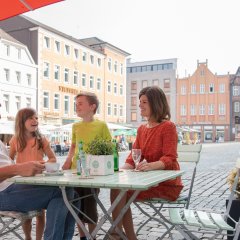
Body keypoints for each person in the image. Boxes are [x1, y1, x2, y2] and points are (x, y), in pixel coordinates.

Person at [110, 86, 183, 240]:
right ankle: (122, 235)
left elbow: (170, 159)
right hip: (145, 181)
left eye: (144, 102)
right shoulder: (142, 129)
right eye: (140, 102)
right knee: (117, 188)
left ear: (156, 104)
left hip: (166, 183)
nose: (140, 105)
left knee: (121, 192)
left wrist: (150, 166)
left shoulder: (168, 127)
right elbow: (132, 158)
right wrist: (117, 171)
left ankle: (118, 235)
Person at [0, 140, 77, 240]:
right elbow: (13, 168)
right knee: (64, 192)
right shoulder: (16, 139)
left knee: (73, 195)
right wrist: (18, 169)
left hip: (14, 184)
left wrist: (26, 168)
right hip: (4, 192)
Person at [62, 91, 112, 240]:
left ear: (92, 106)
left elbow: (109, 146)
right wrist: (67, 161)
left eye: (80, 104)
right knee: (76, 203)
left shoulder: (101, 125)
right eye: (76, 104)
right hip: (75, 171)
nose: (77, 106)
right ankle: (83, 236)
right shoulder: (76, 126)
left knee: (90, 203)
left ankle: (92, 235)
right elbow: (73, 146)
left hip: (94, 172)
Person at [9, 108, 57, 240]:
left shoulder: (41, 140)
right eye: (31, 118)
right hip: (23, 182)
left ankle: (38, 239)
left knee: (40, 213)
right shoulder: (15, 140)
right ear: (21, 122)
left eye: (36, 118)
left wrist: (44, 165)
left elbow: (53, 158)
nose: (35, 120)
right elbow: (9, 160)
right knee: (26, 213)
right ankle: (28, 237)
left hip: (39, 181)